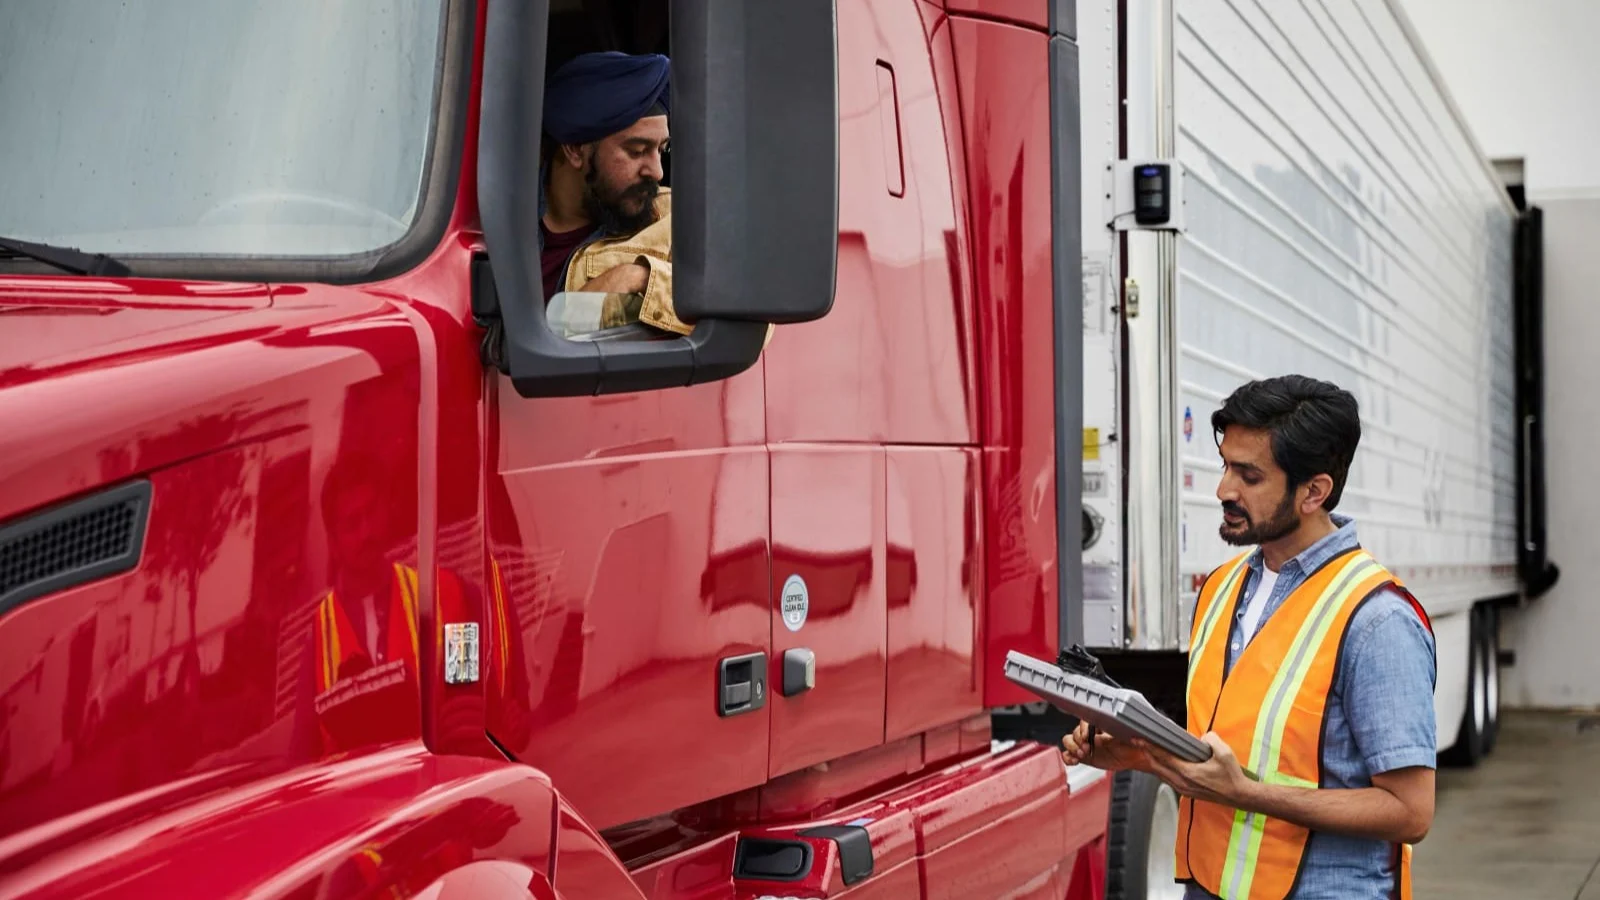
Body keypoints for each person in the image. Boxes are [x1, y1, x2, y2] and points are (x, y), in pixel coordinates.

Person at [1064, 375, 1437, 900]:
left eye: (1249, 475)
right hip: (1208, 885)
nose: (1223, 490)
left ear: (1315, 491)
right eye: (1225, 466)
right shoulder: (1220, 589)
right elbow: (1229, 753)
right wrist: (1141, 754)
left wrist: (1248, 794)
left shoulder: (1376, 618)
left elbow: (1410, 811)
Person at [540, 50, 684, 334]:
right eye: (637, 151)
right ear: (576, 148)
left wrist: (638, 277)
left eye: (661, 149)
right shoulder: (489, 227)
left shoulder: (675, 221)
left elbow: (746, 307)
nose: (657, 172)